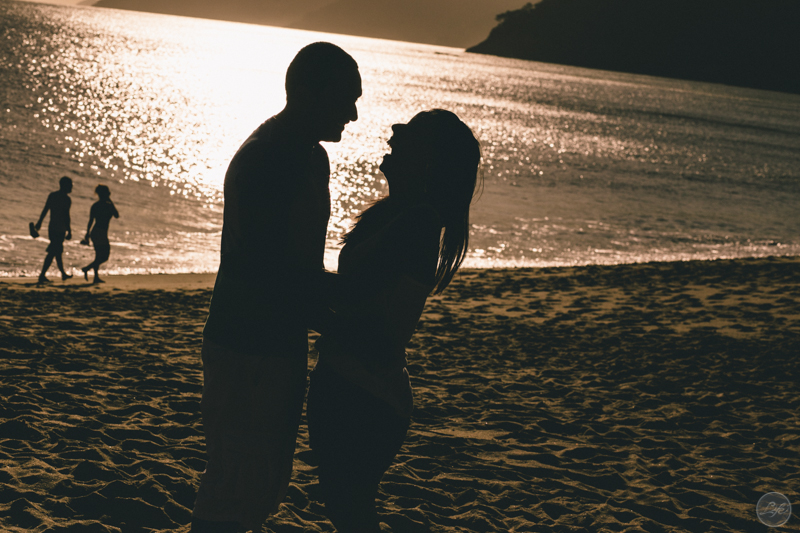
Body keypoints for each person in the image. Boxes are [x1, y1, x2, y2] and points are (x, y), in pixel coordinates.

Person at [190, 42, 361, 533]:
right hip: (246, 343)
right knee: (233, 482)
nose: (353, 114)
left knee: (262, 480)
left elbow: (296, 266)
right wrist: (338, 315)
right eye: (345, 99)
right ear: (306, 92)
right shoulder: (269, 158)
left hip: (278, 342)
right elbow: (263, 270)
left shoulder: (310, 157)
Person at [306, 109, 482, 532]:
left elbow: (380, 332)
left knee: (351, 513)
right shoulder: (395, 213)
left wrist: (303, 302)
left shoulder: (417, 223)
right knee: (347, 510)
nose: (396, 129)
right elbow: (357, 295)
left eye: (412, 130)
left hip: (364, 396)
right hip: (353, 386)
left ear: (429, 159)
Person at [35, 176, 74, 283]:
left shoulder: (53, 195)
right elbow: (66, 216)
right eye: (70, 185)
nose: (71, 187)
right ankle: (42, 275)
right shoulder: (66, 199)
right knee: (54, 252)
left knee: (57, 251)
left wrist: (39, 222)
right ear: (65, 185)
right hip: (60, 229)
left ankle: (63, 274)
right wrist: (69, 230)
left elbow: (45, 210)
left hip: (52, 228)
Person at [81, 184, 119, 284]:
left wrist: (87, 233)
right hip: (101, 233)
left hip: (95, 232)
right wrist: (110, 200)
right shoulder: (108, 205)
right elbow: (116, 215)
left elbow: (90, 221)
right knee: (104, 256)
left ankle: (95, 276)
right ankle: (87, 269)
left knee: (98, 256)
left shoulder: (95, 205)